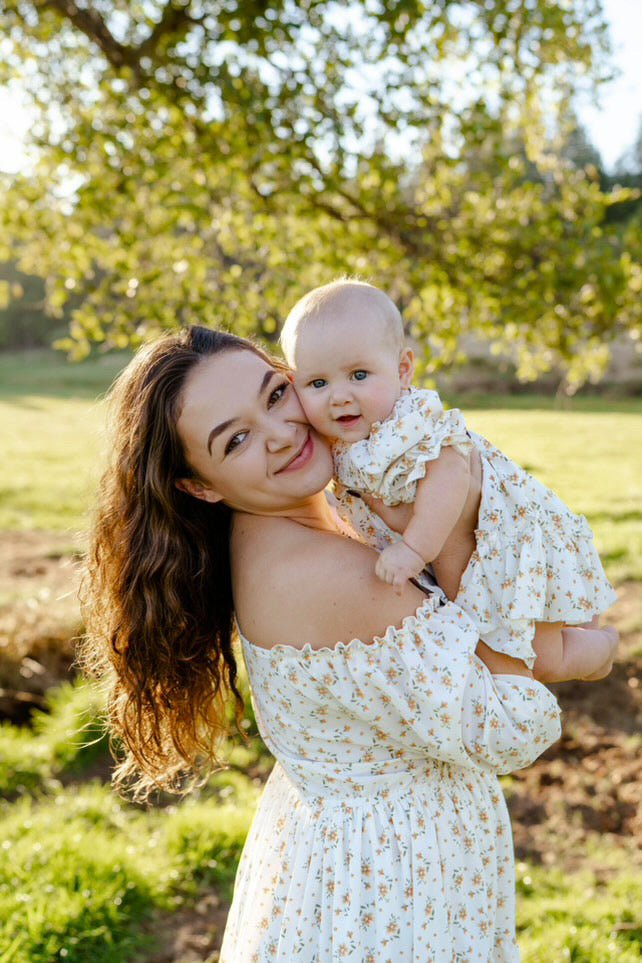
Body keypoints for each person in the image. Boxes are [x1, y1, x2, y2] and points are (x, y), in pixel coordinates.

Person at [80, 326, 573, 961]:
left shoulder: (313, 519)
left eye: (277, 394)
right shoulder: (329, 576)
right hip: (388, 894)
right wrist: (469, 524)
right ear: (200, 485)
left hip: (344, 866)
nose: (282, 433)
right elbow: (510, 726)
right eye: (236, 439)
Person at [280, 279, 618, 684]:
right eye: (318, 383)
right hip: (474, 563)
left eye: (359, 374)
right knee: (513, 658)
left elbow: (450, 474)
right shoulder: (341, 442)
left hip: (508, 542)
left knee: (543, 662)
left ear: (403, 370)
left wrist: (414, 549)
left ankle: (604, 646)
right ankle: (582, 627)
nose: (339, 396)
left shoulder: (409, 423)